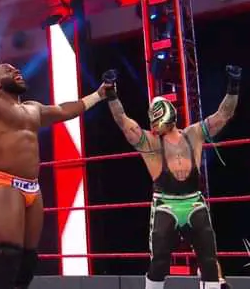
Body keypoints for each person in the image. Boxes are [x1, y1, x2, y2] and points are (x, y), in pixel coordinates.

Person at [0, 5, 107, 289]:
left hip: (32, 188)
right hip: (6, 184)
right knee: (8, 257)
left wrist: (98, 95)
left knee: (27, 261)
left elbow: (65, 110)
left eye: (17, 69)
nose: (17, 71)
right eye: (9, 70)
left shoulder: (33, 109)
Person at [102, 65, 241, 289]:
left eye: (155, 115)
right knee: (159, 262)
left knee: (208, 260)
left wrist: (233, 86)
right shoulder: (150, 143)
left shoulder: (194, 134)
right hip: (165, 204)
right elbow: (122, 120)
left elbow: (223, 115)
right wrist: (111, 93)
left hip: (194, 201)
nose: (152, 121)